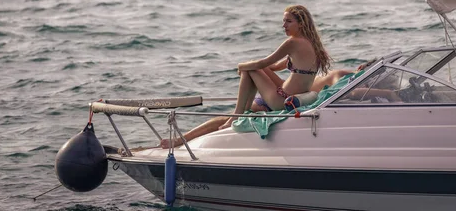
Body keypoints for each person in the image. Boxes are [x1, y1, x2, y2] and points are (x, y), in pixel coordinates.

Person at [160, 59, 378, 149]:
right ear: (361, 71)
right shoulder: (342, 76)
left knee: (227, 118)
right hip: (277, 98)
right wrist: (390, 93)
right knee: (230, 119)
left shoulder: (321, 66)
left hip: (276, 92)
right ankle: (182, 139)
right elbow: (357, 90)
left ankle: (182, 139)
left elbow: (272, 67)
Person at [217, 5, 332, 130]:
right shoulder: (312, 43)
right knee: (252, 68)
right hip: (292, 95)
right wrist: (253, 68)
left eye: (289, 21)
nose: (284, 26)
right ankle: (244, 110)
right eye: (284, 21)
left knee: (251, 68)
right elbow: (275, 67)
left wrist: (241, 66)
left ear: (301, 24)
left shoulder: (293, 42)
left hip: (281, 100)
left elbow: (263, 63)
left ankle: (236, 115)